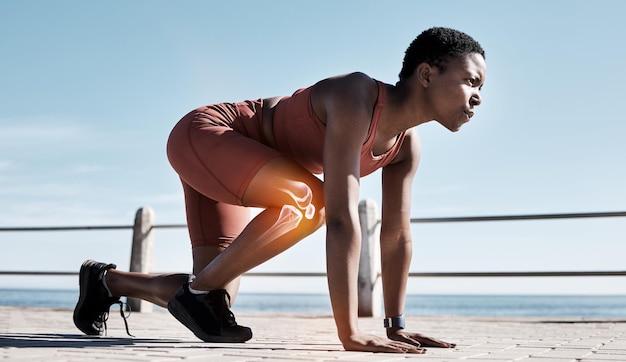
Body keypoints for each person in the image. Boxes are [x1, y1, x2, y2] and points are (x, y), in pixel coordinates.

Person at [73, 27, 486, 354]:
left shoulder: (405, 148)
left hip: (245, 170)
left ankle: (107, 282)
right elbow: (340, 219)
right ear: (428, 74)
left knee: (215, 296)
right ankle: (196, 291)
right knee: (314, 203)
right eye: (471, 80)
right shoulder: (356, 95)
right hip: (209, 136)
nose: (478, 96)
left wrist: (396, 326)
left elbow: (396, 236)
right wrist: (350, 333)